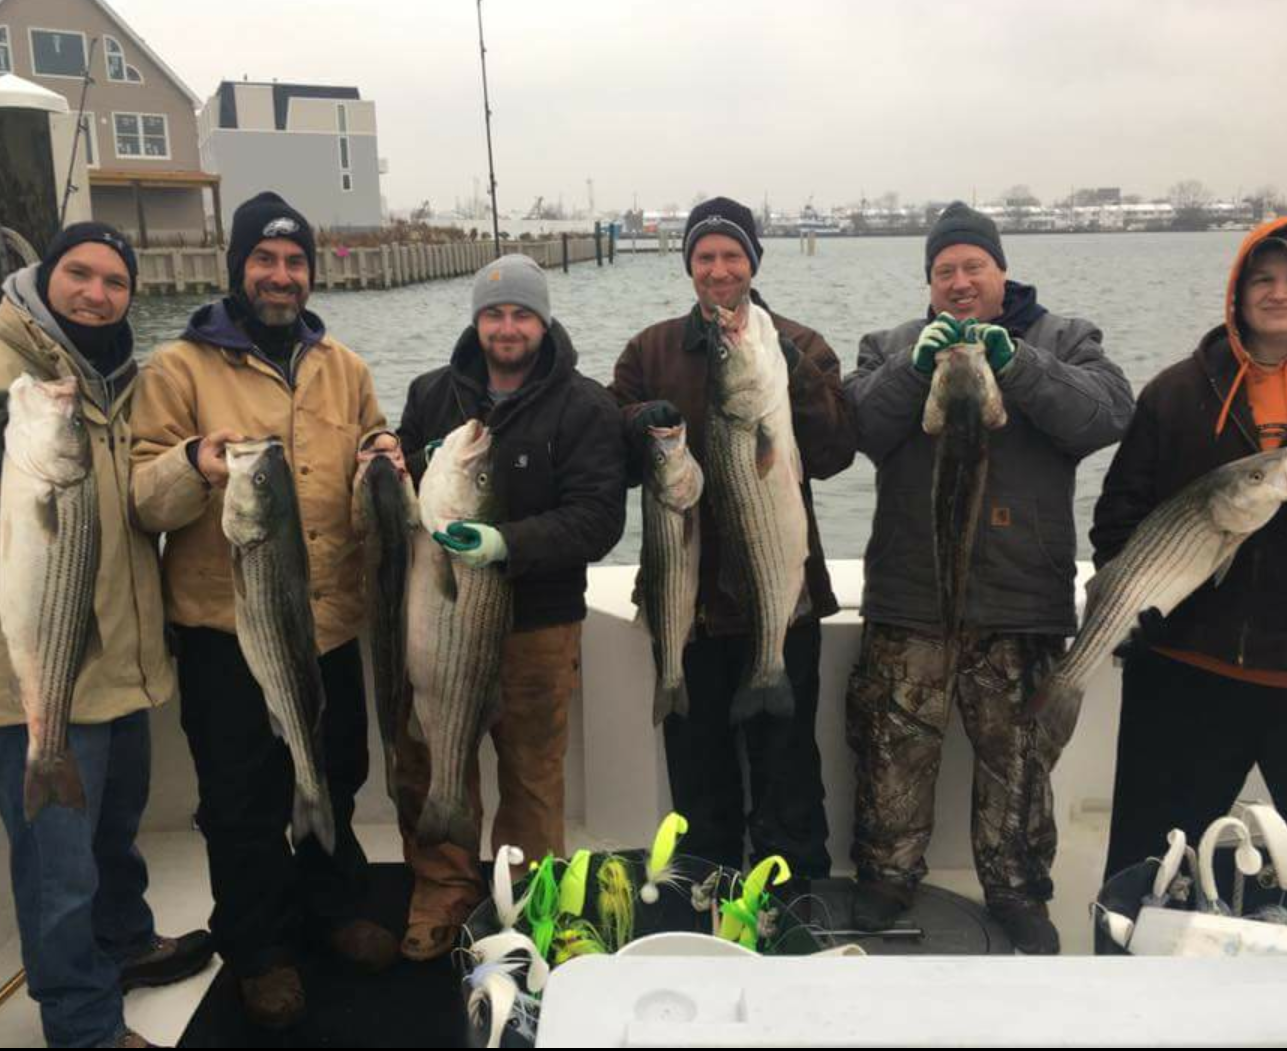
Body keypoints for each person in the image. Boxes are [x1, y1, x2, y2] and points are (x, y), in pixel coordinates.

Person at [0, 223, 211, 1048]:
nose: (96, 292)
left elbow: (133, 508)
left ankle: (125, 944)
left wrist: (190, 464)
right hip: (31, 674)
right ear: (44, 279)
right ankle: (83, 1025)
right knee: (60, 871)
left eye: (115, 280)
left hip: (116, 657)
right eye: (79, 274)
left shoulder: (121, 382)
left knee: (114, 831)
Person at [129, 193, 399, 1029]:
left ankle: (333, 904)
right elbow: (142, 496)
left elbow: (373, 440)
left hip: (328, 622)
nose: (281, 277)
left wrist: (383, 458)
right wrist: (192, 463)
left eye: (294, 263)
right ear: (237, 266)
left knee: (336, 774)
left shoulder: (343, 365)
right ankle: (261, 949)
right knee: (241, 803)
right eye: (265, 261)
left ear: (310, 273)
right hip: (226, 632)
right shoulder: (180, 368)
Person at [843, 201, 1134, 952]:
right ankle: (885, 876)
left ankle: (1017, 892)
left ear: (1002, 271)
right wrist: (914, 374)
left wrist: (1017, 362)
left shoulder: (1066, 339)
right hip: (912, 599)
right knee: (891, 749)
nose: (960, 281)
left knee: (1020, 763)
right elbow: (852, 431)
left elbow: (1105, 414)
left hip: (1021, 602)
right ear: (929, 283)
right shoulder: (890, 345)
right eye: (944, 271)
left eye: (974, 266)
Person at [1092, 218, 1287, 881]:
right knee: (1147, 871)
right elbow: (1119, 514)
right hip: (1187, 666)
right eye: (1262, 279)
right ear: (1236, 293)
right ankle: (1129, 979)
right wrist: (1131, 600)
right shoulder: (1178, 390)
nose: (1279, 292)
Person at [609, 195, 857, 883]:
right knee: (699, 771)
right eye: (704, 257)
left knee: (788, 773)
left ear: (753, 261)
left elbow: (837, 450)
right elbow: (610, 441)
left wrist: (792, 373)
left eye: (731, 255)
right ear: (689, 266)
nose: (718, 270)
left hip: (781, 597)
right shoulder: (651, 348)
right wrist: (636, 422)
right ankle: (705, 890)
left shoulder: (798, 346)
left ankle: (794, 893)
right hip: (687, 601)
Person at [393, 253, 626, 960]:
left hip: (540, 626)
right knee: (431, 755)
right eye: (494, 313)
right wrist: (386, 462)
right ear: (476, 319)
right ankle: (443, 888)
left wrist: (505, 540)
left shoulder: (584, 405)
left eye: (521, 313)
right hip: (440, 614)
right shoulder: (432, 393)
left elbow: (598, 519)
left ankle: (528, 901)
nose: (507, 326)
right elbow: (400, 478)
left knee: (531, 770)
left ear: (543, 320)